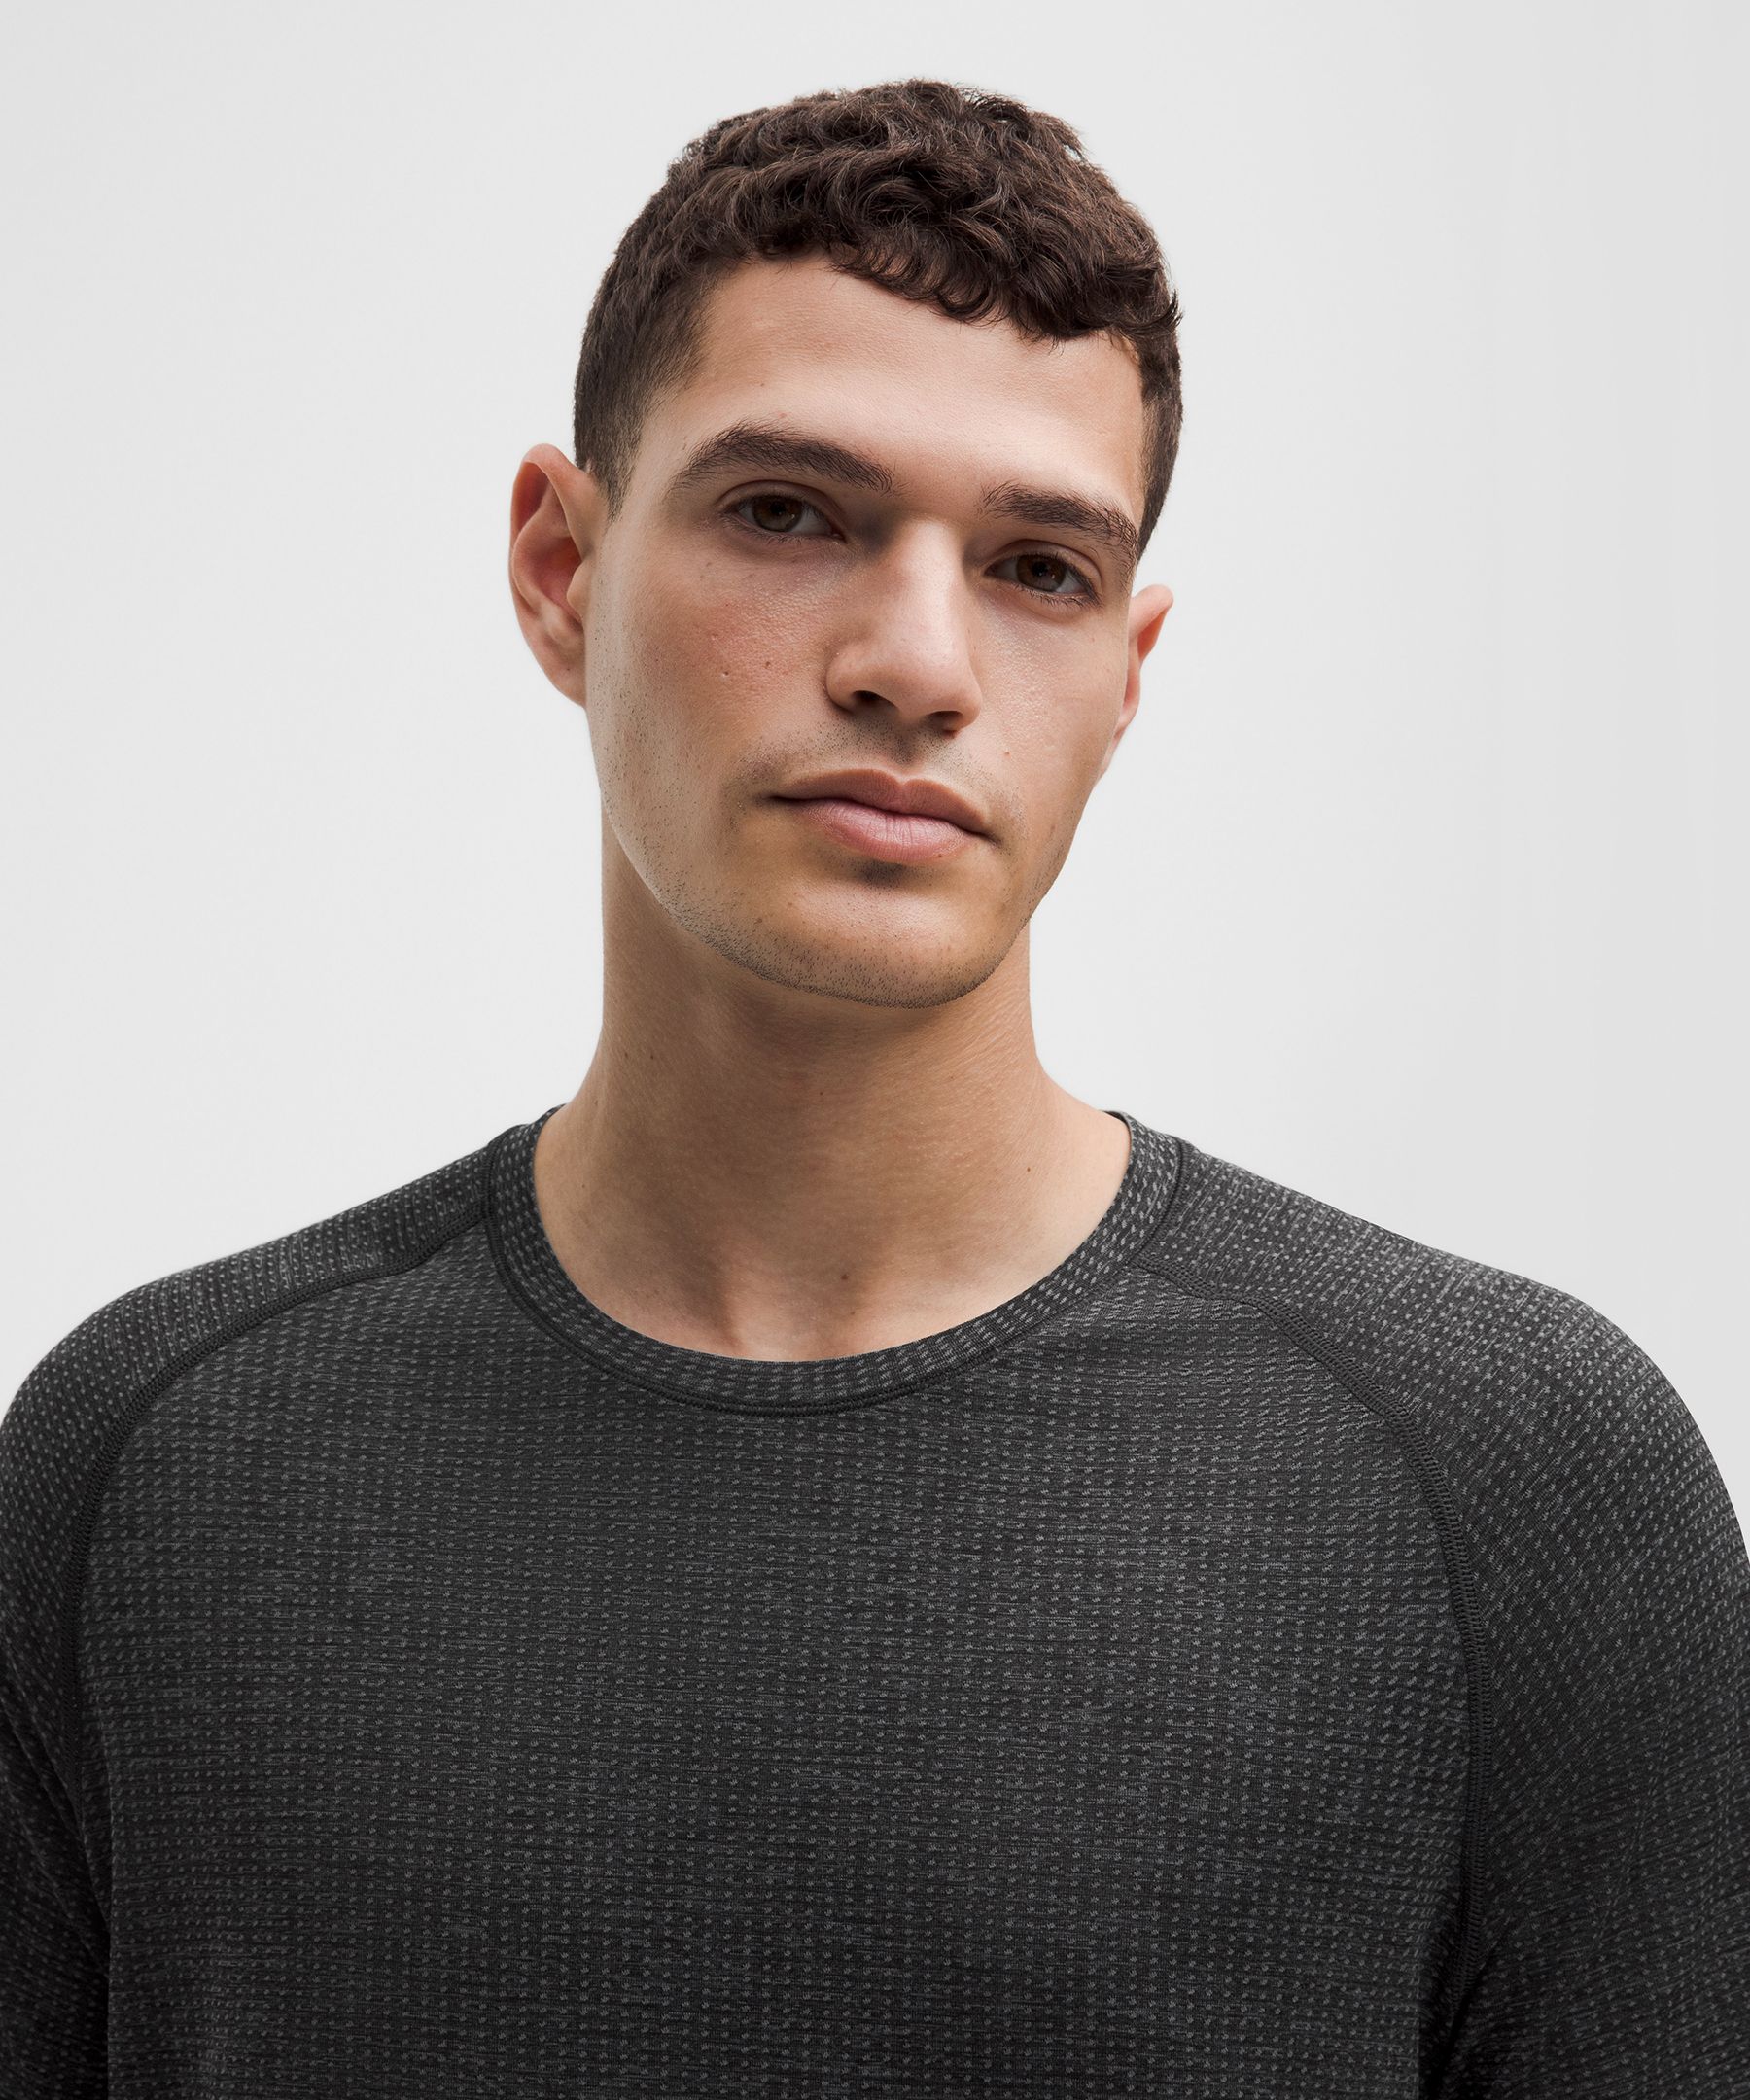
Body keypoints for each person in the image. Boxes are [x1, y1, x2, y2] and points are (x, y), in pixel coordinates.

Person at [3, 76, 1744, 2098]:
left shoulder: (1520, 1491)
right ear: (562, 570)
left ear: (1128, 671)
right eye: (789, 513)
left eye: (1039, 566)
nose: (917, 663)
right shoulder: (151, 1472)